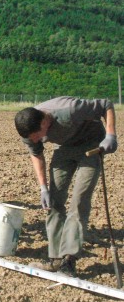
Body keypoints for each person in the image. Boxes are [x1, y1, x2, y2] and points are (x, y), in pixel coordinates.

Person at [14, 96, 117, 277]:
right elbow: (36, 155)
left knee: (79, 200)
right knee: (53, 201)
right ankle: (56, 259)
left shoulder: (70, 110)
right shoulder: (28, 130)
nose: (36, 140)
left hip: (92, 144)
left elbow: (105, 105)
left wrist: (110, 134)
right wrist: (43, 187)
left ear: (45, 121)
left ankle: (69, 260)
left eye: (38, 136)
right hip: (66, 147)